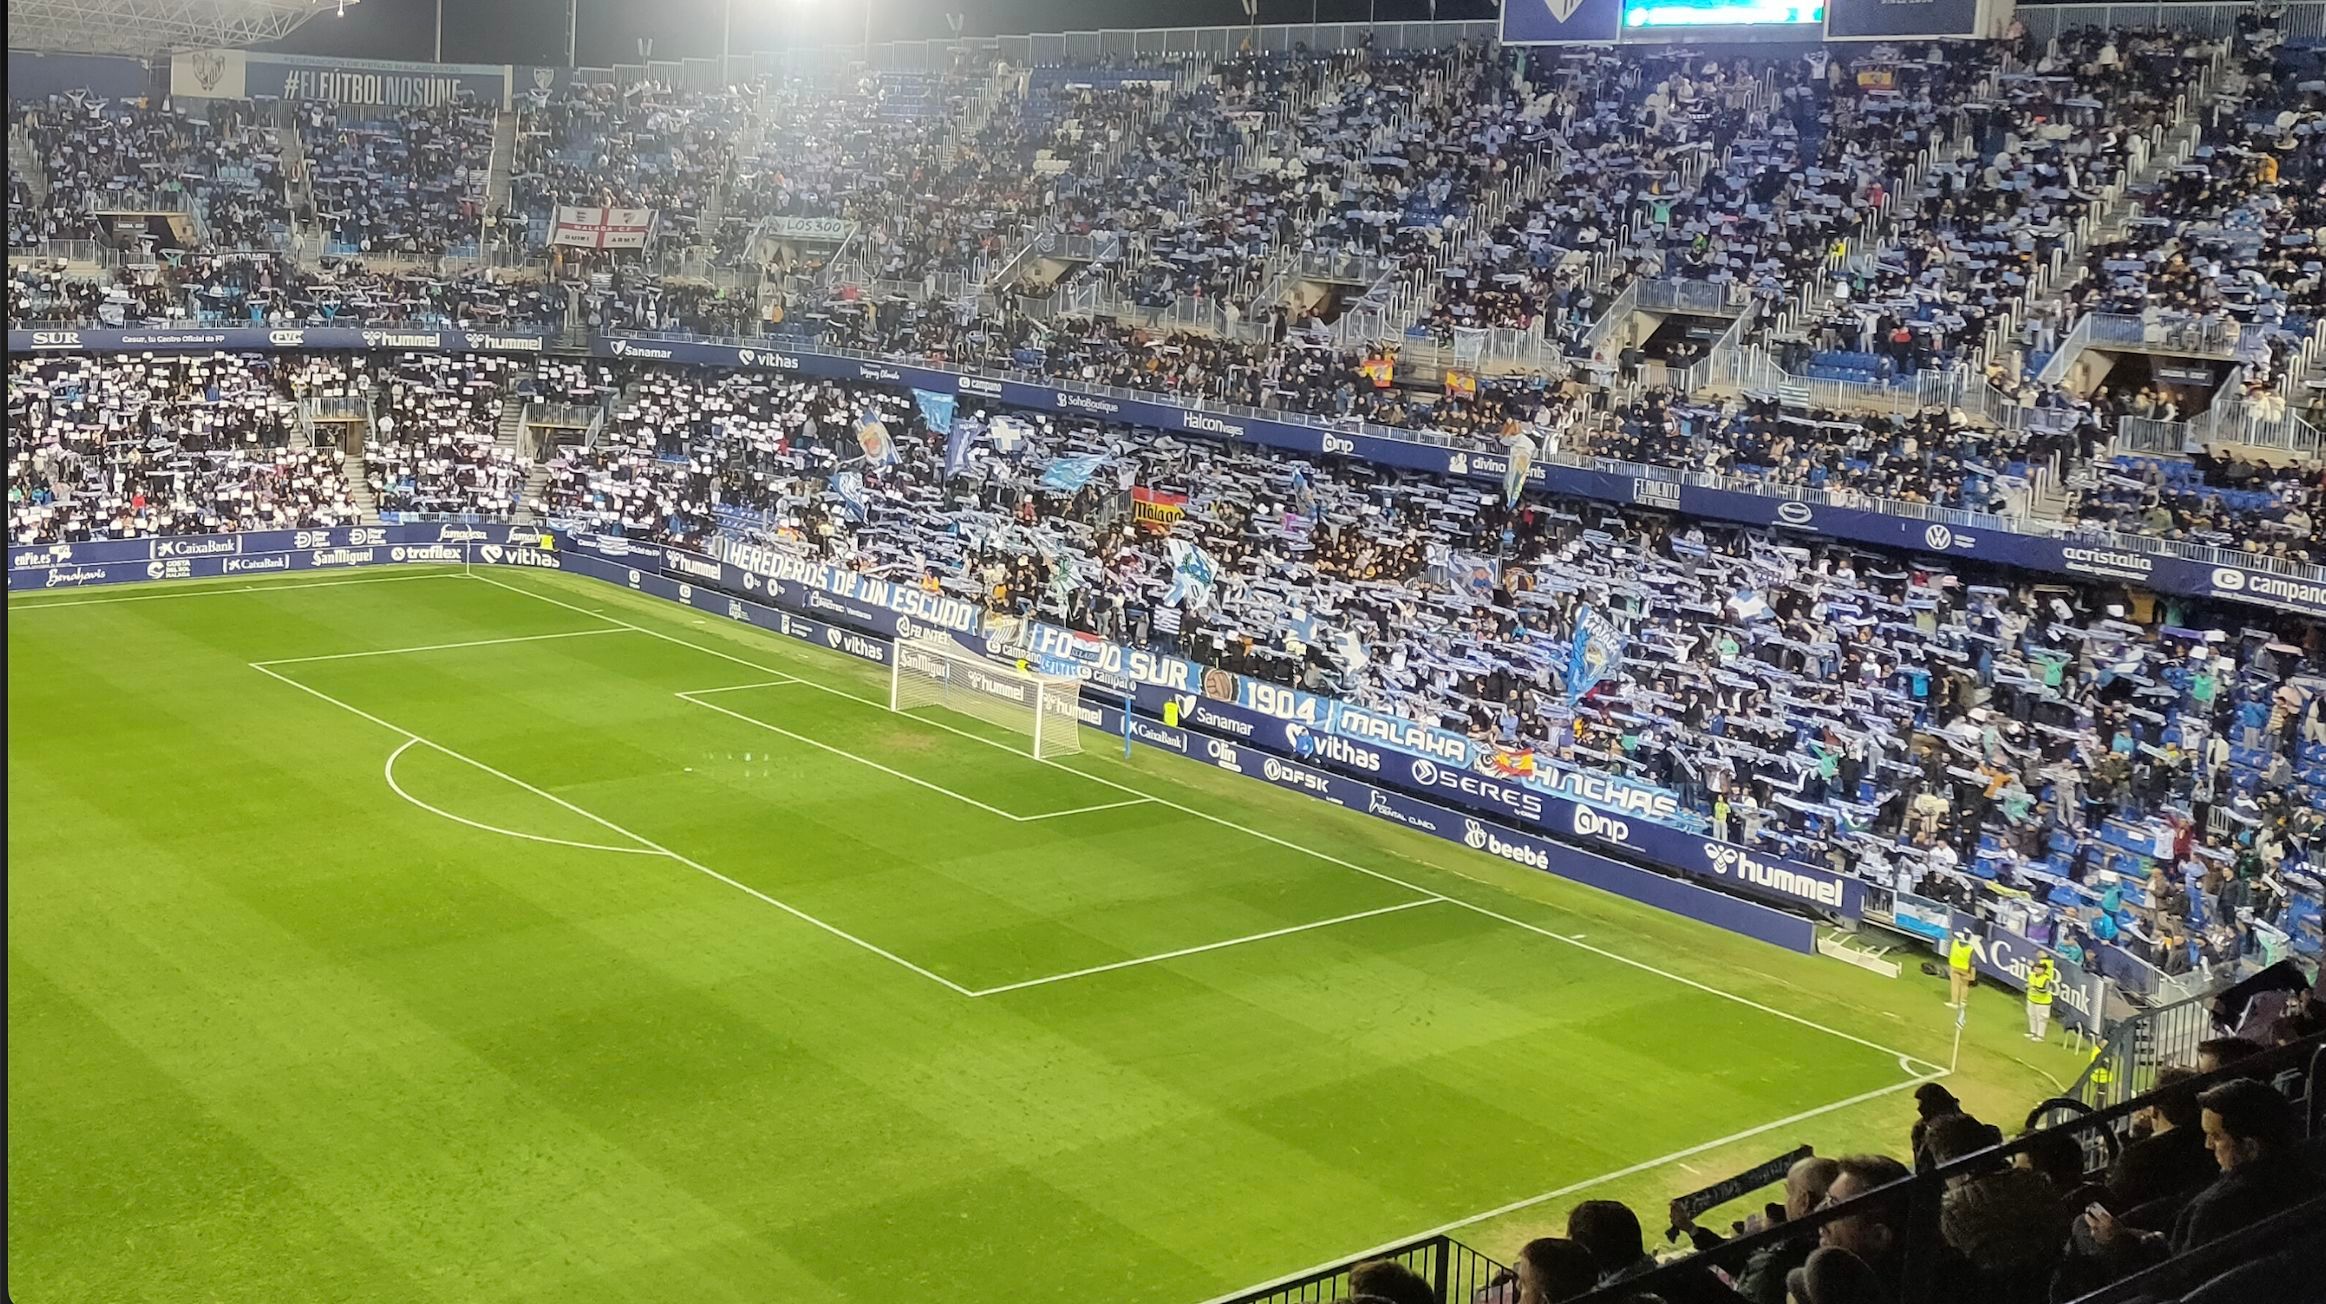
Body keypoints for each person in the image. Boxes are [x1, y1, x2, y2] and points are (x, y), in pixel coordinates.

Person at [2086, 1079, 2317, 1260]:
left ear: (2251, 1147)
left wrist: (2121, 1243)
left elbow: (2176, 1280)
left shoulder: (2218, 1209)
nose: (2207, 1146)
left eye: (2216, 1137)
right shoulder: (2309, 1177)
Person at [1671, 1156, 1841, 1304]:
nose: (1785, 1201)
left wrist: (1693, 1278)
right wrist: (1691, 1229)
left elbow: (1747, 1275)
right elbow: (1744, 1262)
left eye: (1789, 1192)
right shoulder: (1835, 1243)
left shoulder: (1779, 1261)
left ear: (1803, 1201)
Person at [2025, 954, 2059, 1042]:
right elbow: (2027, 985)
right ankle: (2033, 1032)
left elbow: (2044, 990)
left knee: (2042, 1019)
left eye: (2040, 969)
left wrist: (2033, 987)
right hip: (2032, 999)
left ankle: (2040, 1036)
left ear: (2044, 970)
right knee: (2032, 1016)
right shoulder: (2031, 975)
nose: (2037, 970)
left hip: (2043, 1002)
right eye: (2036, 968)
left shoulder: (2046, 978)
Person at [1947, 926, 1977, 1008]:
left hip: (1954, 966)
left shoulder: (1955, 942)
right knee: (1964, 985)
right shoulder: (1971, 948)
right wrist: (1972, 974)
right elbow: (1973, 962)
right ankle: (1963, 1002)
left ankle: (1954, 1003)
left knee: (1955, 984)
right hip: (1964, 968)